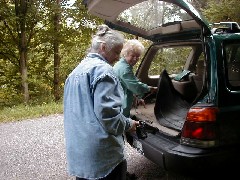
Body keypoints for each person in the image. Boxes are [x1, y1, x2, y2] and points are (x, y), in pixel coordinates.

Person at [63, 24, 139, 180]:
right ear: (104, 47)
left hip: (80, 156)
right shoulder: (104, 71)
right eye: (117, 52)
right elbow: (109, 117)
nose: (118, 58)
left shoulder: (74, 72)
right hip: (103, 159)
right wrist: (128, 124)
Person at [113, 39, 157, 118]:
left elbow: (127, 85)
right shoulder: (124, 69)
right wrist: (149, 88)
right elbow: (135, 86)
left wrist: (138, 98)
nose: (135, 59)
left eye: (137, 57)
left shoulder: (121, 65)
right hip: (120, 106)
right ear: (125, 54)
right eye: (132, 56)